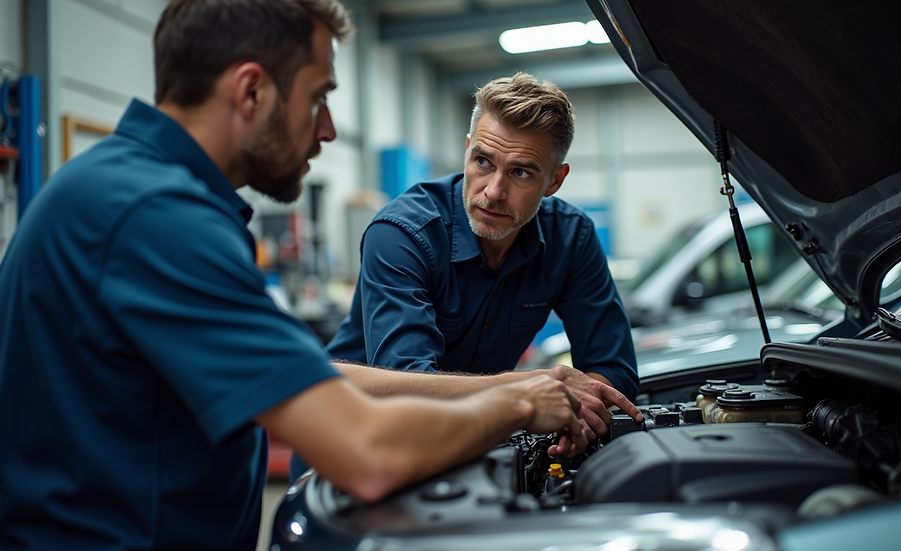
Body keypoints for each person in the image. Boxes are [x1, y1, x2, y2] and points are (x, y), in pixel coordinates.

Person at [0, 2, 609, 549]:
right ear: (252, 91)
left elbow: (317, 379)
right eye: (319, 96)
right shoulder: (155, 218)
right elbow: (368, 451)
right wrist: (520, 397)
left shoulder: (131, 192)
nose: (329, 129)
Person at [323, 72, 640, 442]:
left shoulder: (571, 237)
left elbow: (614, 370)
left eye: (520, 172)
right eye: (483, 162)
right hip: (352, 440)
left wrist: (582, 410)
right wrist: (526, 392)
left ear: (555, 180)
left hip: (467, 439)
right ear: (468, 148)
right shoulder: (401, 235)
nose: (493, 191)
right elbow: (408, 383)